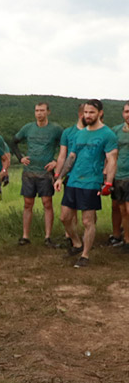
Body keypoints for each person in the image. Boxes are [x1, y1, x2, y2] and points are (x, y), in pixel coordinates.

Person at [53, 100, 118, 268]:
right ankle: (76, 243)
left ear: (100, 113)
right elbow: (71, 157)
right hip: (73, 180)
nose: (88, 116)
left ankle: (85, 255)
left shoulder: (108, 134)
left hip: (91, 182)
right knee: (64, 217)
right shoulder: (80, 134)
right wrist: (60, 177)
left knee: (88, 221)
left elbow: (112, 160)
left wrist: (108, 183)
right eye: (86, 112)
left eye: (92, 113)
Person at [12, 102, 64, 247]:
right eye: (36, 111)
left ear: (48, 112)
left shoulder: (55, 129)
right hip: (29, 171)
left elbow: (65, 146)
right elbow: (14, 141)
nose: (39, 113)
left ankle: (48, 236)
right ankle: (25, 236)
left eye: (42, 110)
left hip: (46, 172)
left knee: (47, 203)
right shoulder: (28, 128)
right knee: (28, 204)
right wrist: (20, 157)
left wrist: (56, 161)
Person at [112, 102, 129, 250]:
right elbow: (111, 154)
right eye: (127, 112)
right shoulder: (116, 131)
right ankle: (126, 240)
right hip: (119, 175)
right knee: (122, 209)